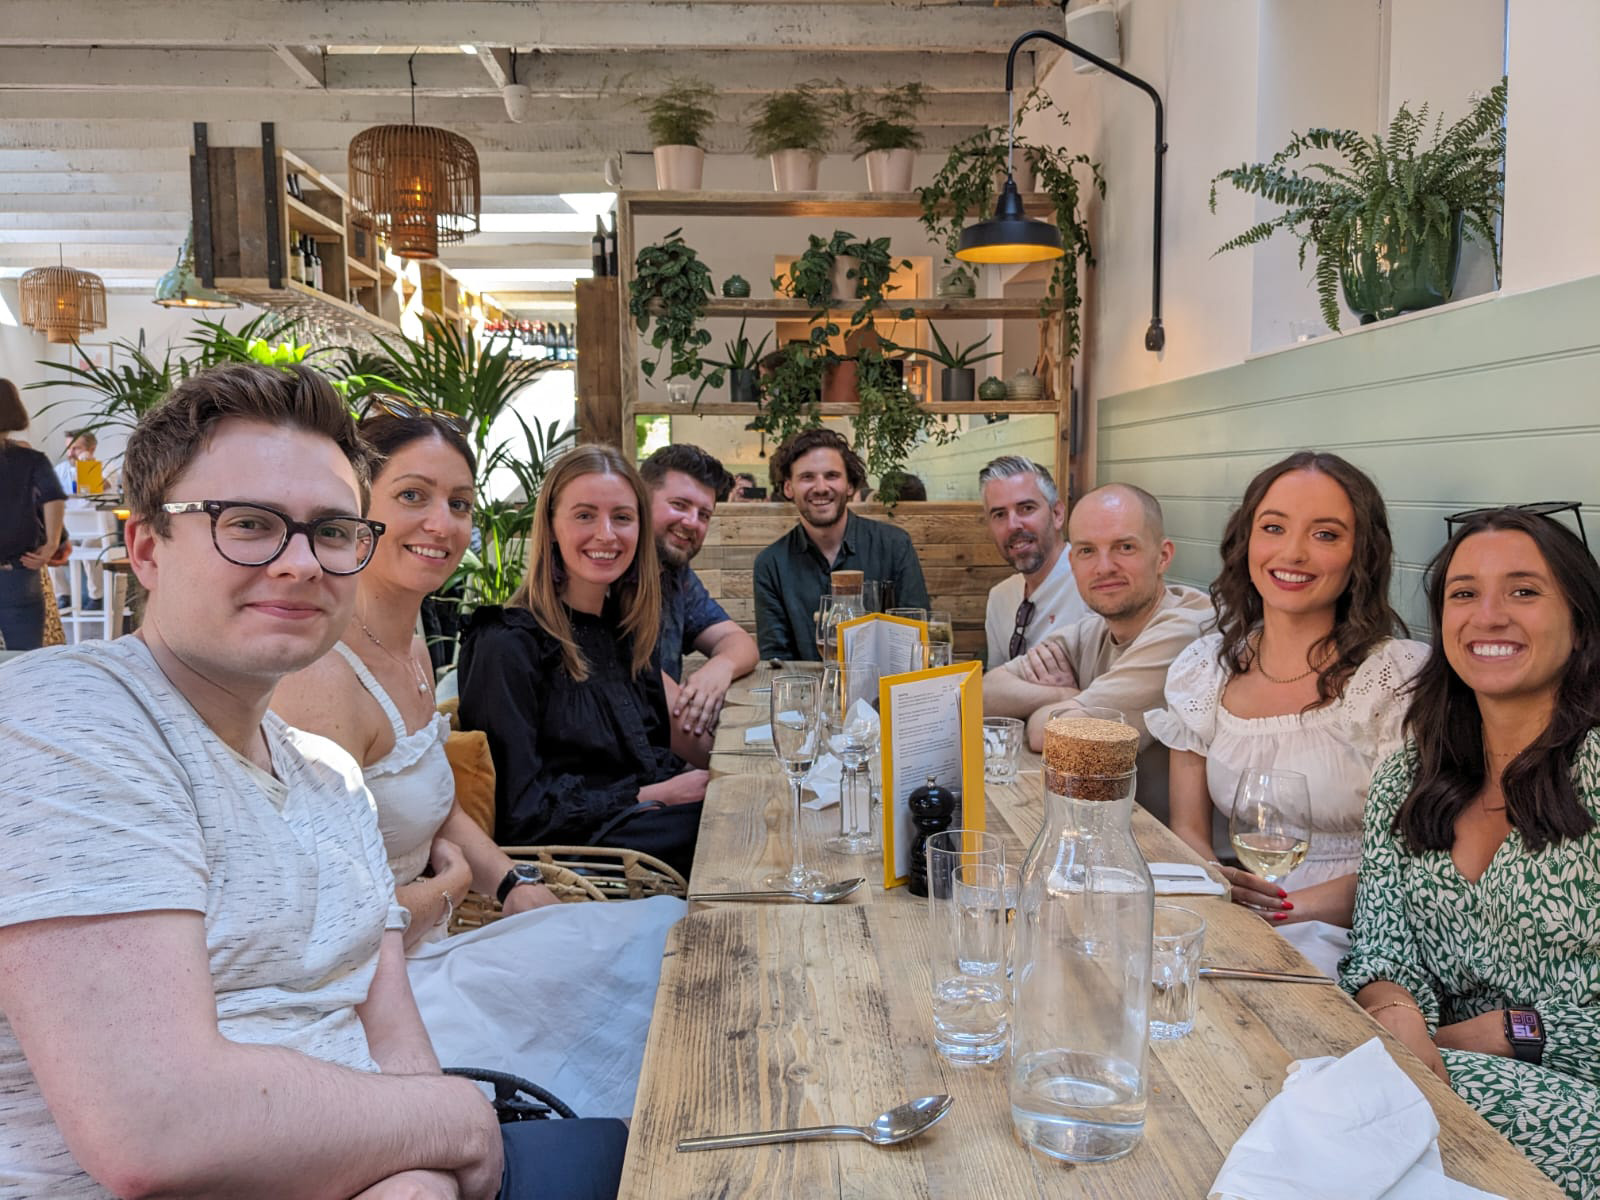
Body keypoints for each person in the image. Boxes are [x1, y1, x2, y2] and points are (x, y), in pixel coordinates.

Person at [0, 363, 625, 1199]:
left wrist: (426, 1161)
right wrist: (457, 1125)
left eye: (332, 531)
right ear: (147, 546)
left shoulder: (326, 777)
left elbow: (400, 1050)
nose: (301, 564)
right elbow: (155, 1126)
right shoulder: (67, 718)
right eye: (249, 524)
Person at [274, 405, 684, 1117]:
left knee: (673, 937)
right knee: (650, 1011)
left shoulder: (410, 655)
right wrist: (451, 888)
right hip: (380, 992)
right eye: (412, 496)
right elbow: (313, 925)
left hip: (443, 938)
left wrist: (512, 881)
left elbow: (437, 801)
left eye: (459, 503)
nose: (442, 522)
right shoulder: (321, 677)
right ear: (353, 509)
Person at [1340, 507, 1600, 1200]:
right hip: (1436, 1064)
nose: (1488, 615)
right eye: (1463, 593)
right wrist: (1396, 1010)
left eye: (1523, 590)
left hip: (1572, 1092)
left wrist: (1509, 1033)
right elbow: (1380, 946)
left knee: (1343, 1103)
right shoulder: (1410, 777)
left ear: (1580, 623)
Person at [1146, 453, 1426, 978]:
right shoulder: (1206, 670)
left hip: (1362, 936)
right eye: (1273, 527)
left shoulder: (1394, 678)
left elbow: (1410, 869)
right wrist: (1214, 885)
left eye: (1326, 535)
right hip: (1236, 918)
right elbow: (1189, 828)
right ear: (1246, 541)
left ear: (1361, 555)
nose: (1292, 553)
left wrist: (1275, 913)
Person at [458, 444, 708, 881]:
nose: (607, 534)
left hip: (647, 827)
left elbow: (660, 753)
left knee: (749, 808)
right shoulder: (507, 644)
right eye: (585, 515)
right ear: (552, 527)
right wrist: (659, 795)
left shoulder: (627, 632)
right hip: (580, 861)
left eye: (622, 518)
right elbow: (520, 816)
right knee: (734, 831)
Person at [982, 483, 1212, 822]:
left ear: (1162, 556)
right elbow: (984, 694)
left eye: (1125, 547)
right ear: (1073, 563)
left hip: (1184, 857)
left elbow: (1055, 735)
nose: (1104, 567)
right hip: (1109, 826)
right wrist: (1065, 694)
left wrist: (1057, 708)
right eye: (1088, 551)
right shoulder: (1093, 630)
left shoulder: (1185, 629)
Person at [753, 427, 929, 661]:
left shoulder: (895, 546)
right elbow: (776, 658)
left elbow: (914, 638)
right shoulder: (771, 564)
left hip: (883, 692)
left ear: (850, 485)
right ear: (788, 488)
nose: (821, 487)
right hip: (807, 694)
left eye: (831, 476)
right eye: (807, 477)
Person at [639, 443, 758, 767]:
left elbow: (739, 643)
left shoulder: (675, 575)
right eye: (679, 505)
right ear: (639, 502)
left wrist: (719, 668)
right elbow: (691, 736)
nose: (692, 522)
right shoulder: (613, 583)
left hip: (667, 766)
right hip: (630, 787)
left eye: (704, 514)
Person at [978, 455, 1089, 667]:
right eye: (1000, 514)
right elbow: (997, 687)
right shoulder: (1000, 598)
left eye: (1026, 508)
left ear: (1057, 514)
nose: (1013, 525)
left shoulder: (1091, 586)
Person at [0, 378, 65, 651]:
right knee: (24, 660)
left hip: (19, 571)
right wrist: (51, 543)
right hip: (18, 571)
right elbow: (53, 496)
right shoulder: (31, 459)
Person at [49, 429, 108, 613]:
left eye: (76, 448)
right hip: (69, 529)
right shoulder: (59, 471)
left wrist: (87, 465)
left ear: (91, 448)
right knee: (48, 545)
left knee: (91, 545)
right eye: (68, 448)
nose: (70, 453)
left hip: (97, 530)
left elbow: (99, 488)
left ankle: (96, 596)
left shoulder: (106, 468)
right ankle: (62, 595)